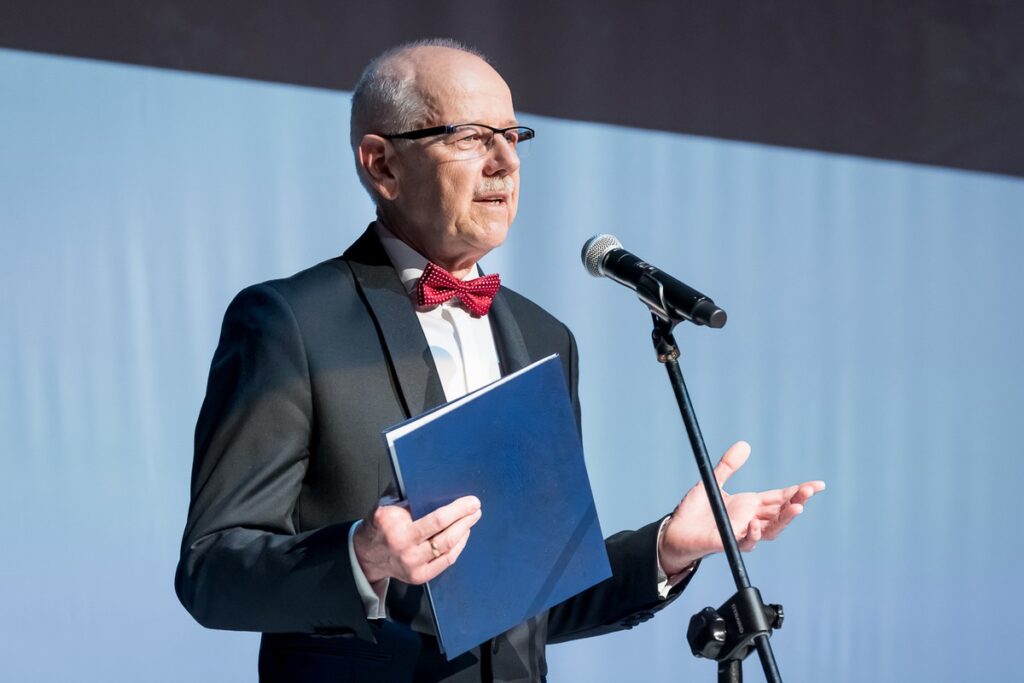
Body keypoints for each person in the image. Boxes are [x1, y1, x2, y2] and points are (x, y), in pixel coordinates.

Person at [175, 38, 825, 682]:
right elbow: (211, 569)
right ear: (382, 164)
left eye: (514, 137)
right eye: (471, 137)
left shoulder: (545, 337)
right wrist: (360, 558)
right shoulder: (291, 323)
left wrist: (666, 548)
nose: (506, 161)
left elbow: (530, 604)